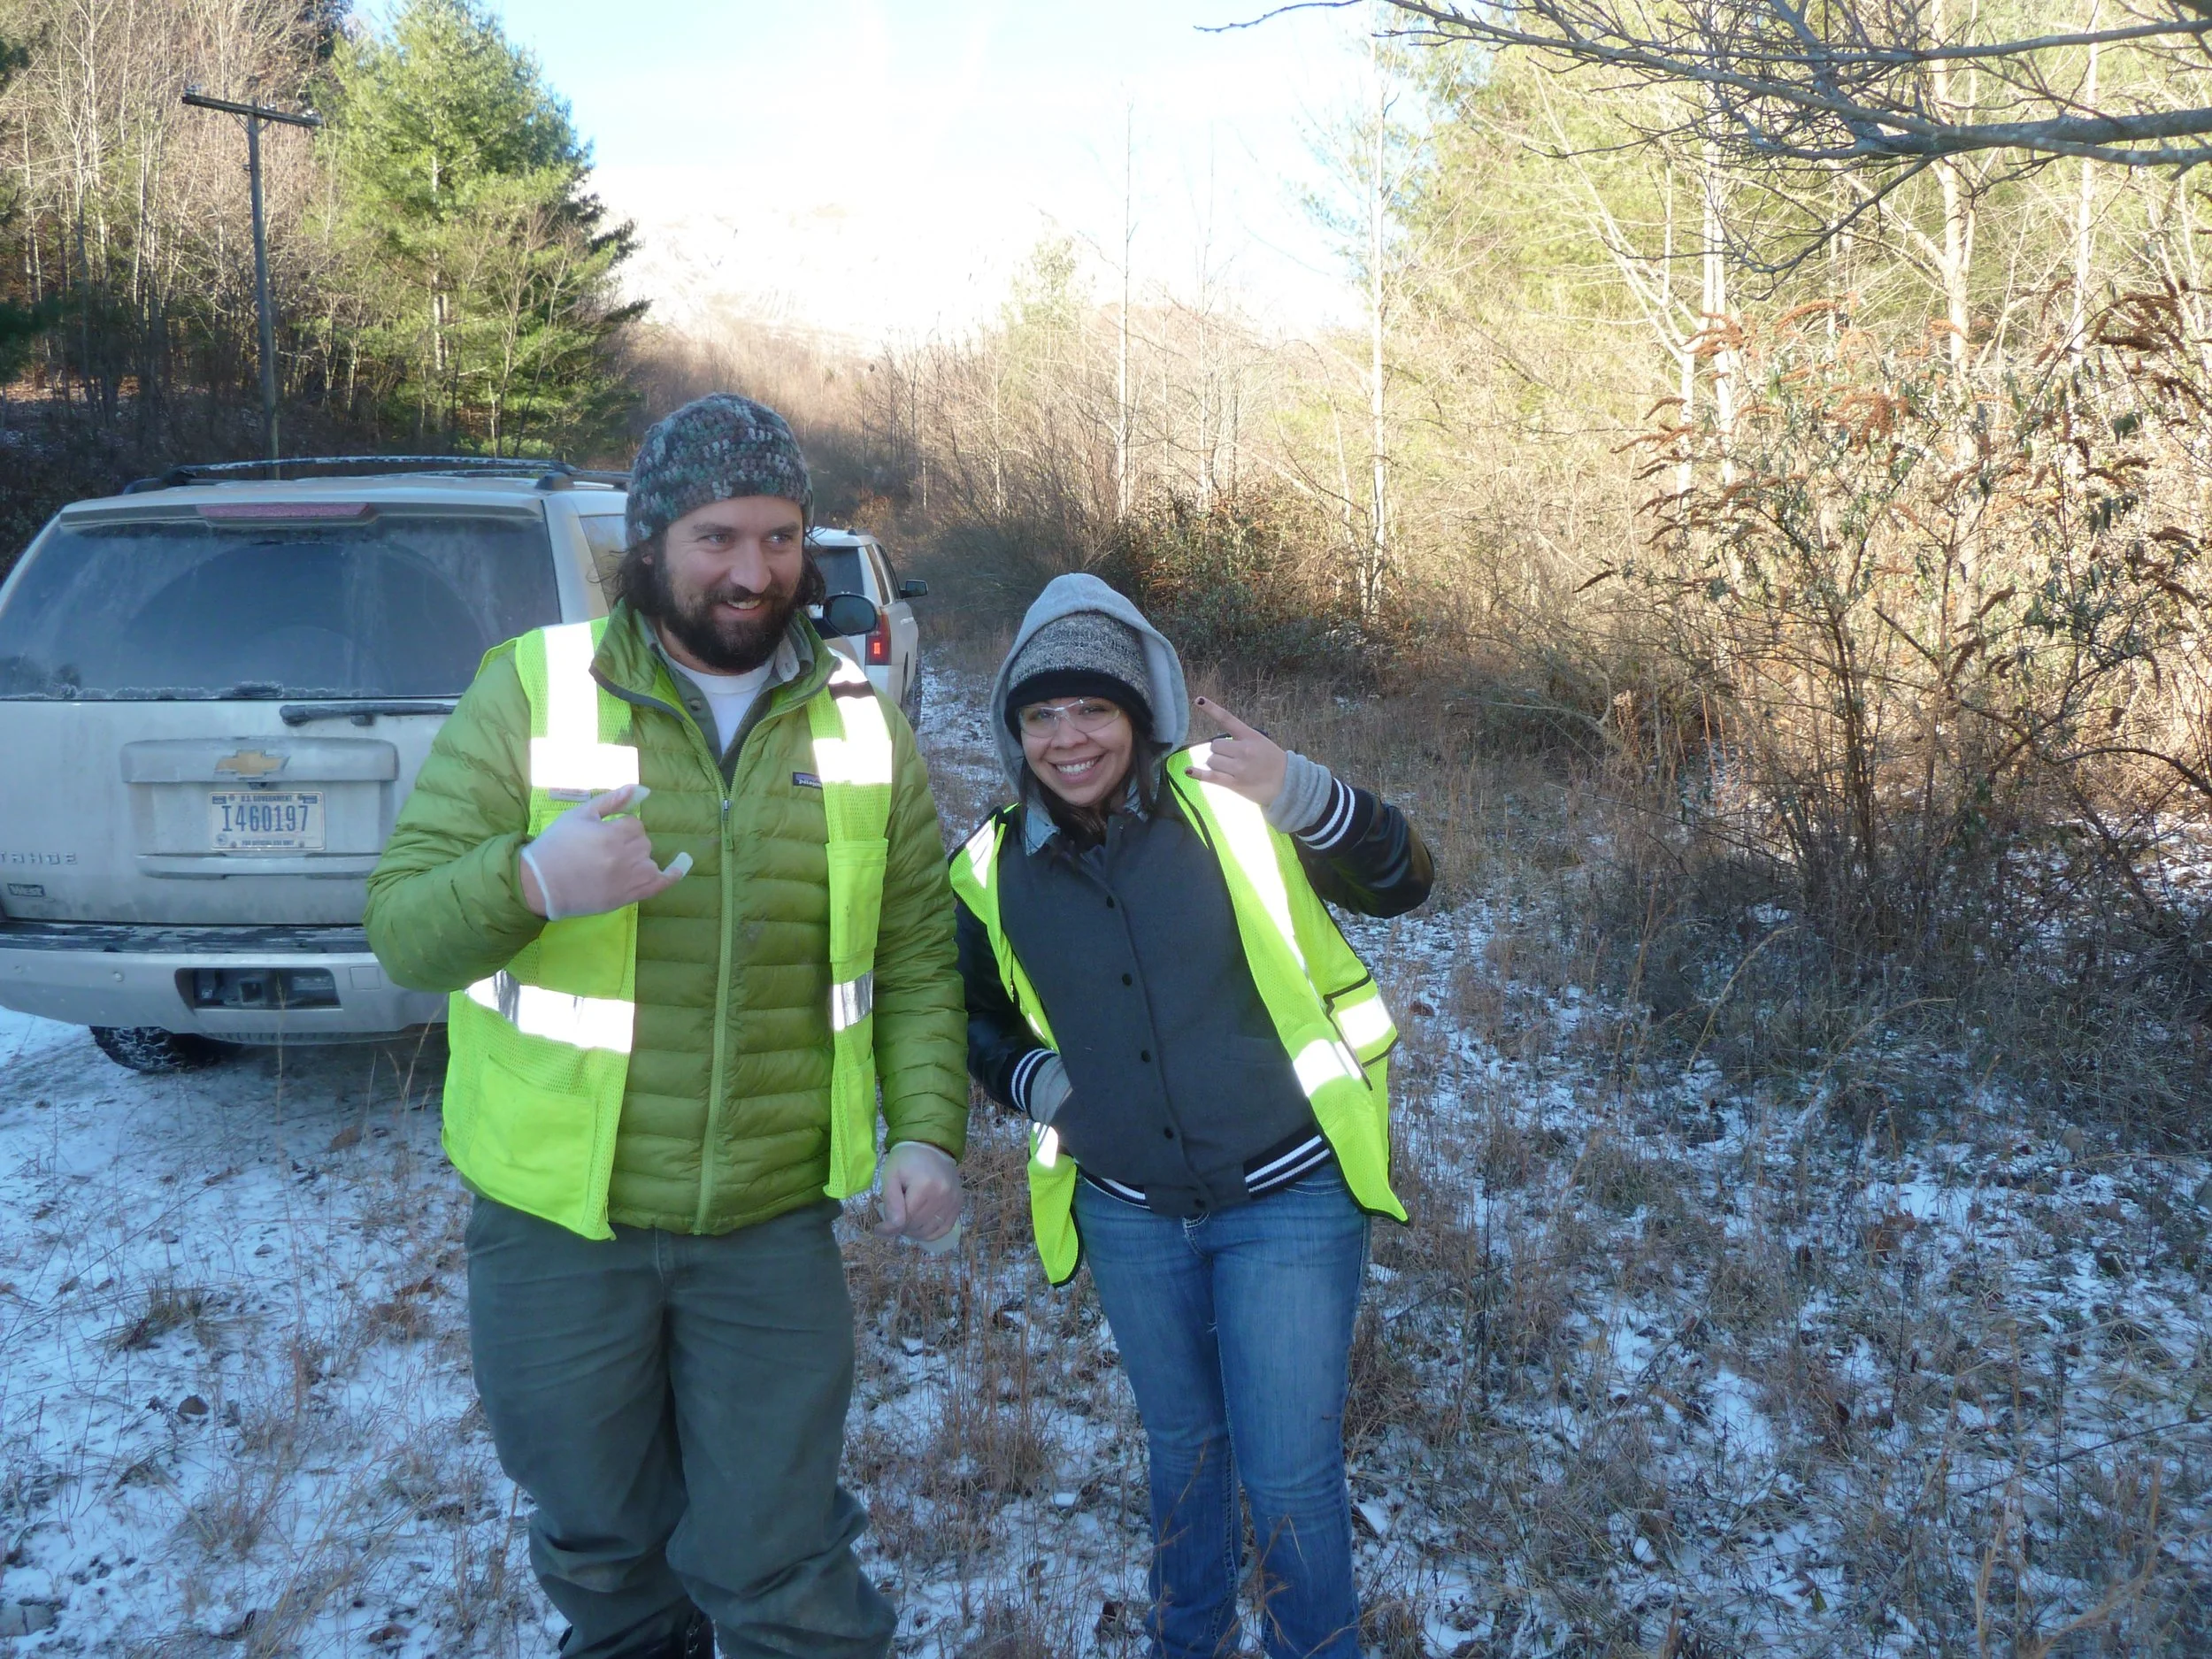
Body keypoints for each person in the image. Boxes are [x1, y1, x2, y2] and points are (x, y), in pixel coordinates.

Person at [365, 394, 968, 1659]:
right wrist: (530, 881)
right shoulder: (533, 689)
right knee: (600, 1539)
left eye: (783, 534)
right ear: (649, 539)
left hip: (767, 1222)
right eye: (717, 535)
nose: (755, 569)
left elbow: (917, 948)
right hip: (556, 1225)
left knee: (783, 1555)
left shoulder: (861, 718)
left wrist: (927, 1132)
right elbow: (405, 928)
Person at [950, 573, 1433, 1659]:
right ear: (1012, 729)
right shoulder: (988, 867)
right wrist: (1041, 1086)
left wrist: (1306, 789)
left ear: (1136, 714)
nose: (1067, 739)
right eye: (1040, 714)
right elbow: (968, 1016)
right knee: (1185, 1455)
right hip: (1129, 1214)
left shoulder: (1234, 803)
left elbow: (1406, 880)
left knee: (1288, 1471)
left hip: (1289, 1198)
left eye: (1092, 710)